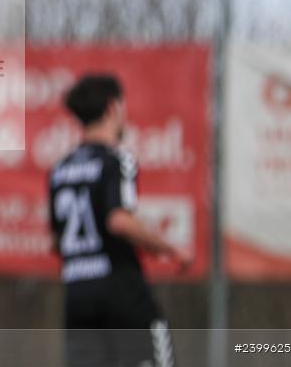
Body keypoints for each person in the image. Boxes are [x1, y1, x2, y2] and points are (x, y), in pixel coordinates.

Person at [48, 74, 191, 367]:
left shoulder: (59, 170)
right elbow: (119, 220)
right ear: (113, 108)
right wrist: (169, 247)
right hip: (120, 292)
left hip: (77, 295)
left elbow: (56, 241)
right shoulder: (116, 160)